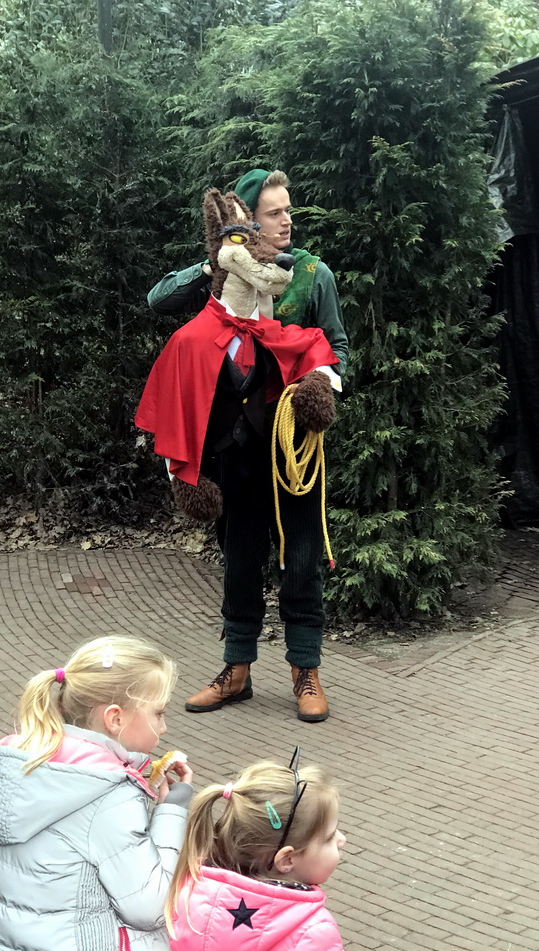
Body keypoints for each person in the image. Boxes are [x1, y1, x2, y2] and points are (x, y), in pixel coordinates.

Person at [147, 169, 349, 723]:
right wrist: (219, 257)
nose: (288, 221)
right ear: (247, 224)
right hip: (233, 447)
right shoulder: (221, 270)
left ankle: (305, 670)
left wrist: (323, 383)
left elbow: (338, 345)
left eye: (289, 211)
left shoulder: (312, 273)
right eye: (275, 213)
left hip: (292, 446)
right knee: (239, 557)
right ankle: (237, 669)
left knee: (303, 557)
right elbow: (158, 298)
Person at [0, 635, 193, 951]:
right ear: (115, 719)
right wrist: (172, 811)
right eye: (158, 713)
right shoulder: (106, 794)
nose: (164, 725)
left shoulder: (18, 760)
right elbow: (151, 907)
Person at [165, 749, 407, 951]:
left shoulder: (192, 897)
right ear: (287, 859)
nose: (342, 840)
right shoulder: (310, 933)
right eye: (329, 837)